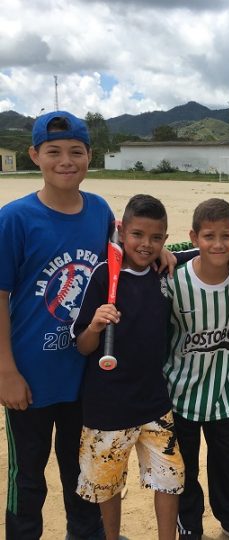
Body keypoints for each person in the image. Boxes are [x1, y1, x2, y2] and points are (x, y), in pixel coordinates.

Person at [0, 111, 112, 539]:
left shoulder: (99, 211)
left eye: (76, 152)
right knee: (27, 479)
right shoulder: (15, 218)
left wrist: (159, 253)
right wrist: (6, 371)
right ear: (34, 156)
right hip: (28, 377)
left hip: (82, 375)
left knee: (81, 475)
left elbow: (116, 260)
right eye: (54, 152)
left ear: (89, 156)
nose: (66, 161)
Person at [71, 194, 185, 540]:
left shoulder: (164, 271)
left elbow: (210, 253)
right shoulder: (104, 275)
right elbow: (82, 346)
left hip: (154, 403)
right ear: (122, 233)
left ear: (165, 239)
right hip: (107, 408)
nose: (146, 244)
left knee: (170, 481)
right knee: (107, 487)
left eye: (155, 238)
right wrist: (95, 325)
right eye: (137, 235)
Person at [164, 198, 229, 540]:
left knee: (228, 466)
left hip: (226, 396)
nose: (217, 244)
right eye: (208, 236)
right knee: (183, 469)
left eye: (226, 237)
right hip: (180, 395)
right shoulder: (173, 280)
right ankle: (189, 526)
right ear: (194, 237)